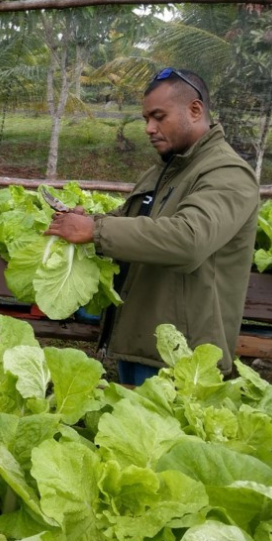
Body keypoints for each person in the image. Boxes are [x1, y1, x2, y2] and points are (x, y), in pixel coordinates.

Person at [45, 68, 260, 385]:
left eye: (159, 117)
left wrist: (96, 231)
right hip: (143, 343)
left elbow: (189, 241)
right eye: (146, 118)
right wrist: (92, 220)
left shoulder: (226, 173)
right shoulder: (169, 167)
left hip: (182, 359)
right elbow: (137, 220)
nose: (149, 128)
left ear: (195, 110)